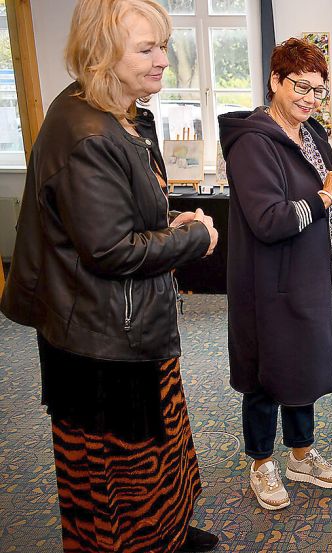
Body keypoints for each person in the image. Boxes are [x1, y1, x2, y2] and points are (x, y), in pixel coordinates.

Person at [0, 1, 220, 551]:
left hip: (128, 320)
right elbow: (111, 250)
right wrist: (195, 236)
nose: (163, 60)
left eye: (163, 46)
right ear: (101, 54)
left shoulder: (121, 112)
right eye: (146, 49)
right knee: (118, 469)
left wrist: (169, 220)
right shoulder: (88, 133)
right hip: (100, 339)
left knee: (160, 447)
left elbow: (120, 215)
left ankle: (165, 532)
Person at [219, 38, 332, 511]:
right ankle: (260, 462)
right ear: (275, 81)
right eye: (300, 87)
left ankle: (300, 455)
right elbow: (270, 220)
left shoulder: (312, 133)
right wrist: (326, 197)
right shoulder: (253, 143)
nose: (309, 99)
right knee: (266, 375)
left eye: (318, 91)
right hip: (269, 282)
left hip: (313, 272)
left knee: (305, 367)